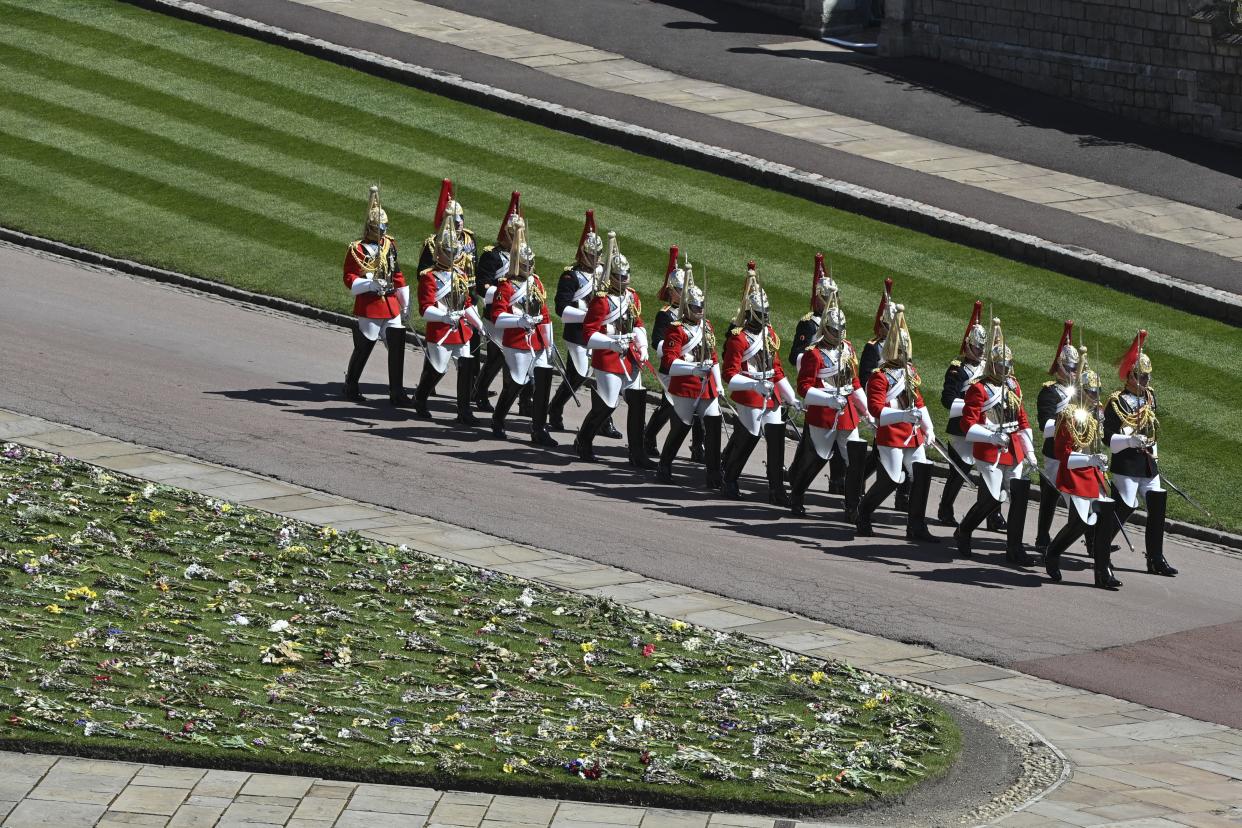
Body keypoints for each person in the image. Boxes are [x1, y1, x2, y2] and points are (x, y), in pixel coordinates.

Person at [954, 318, 1036, 564]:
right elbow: (967, 425)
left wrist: (1030, 451)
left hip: (1014, 450)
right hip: (989, 451)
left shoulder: (1013, 385)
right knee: (993, 497)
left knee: (1019, 497)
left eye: (1008, 364)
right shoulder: (978, 389)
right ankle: (965, 529)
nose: (1006, 369)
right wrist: (991, 435)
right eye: (1001, 365)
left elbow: (1022, 420)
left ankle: (1014, 547)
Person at [853, 305, 937, 541]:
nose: (904, 353)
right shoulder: (879, 376)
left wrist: (928, 428)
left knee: (921, 474)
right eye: (901, 349)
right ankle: (864, 511)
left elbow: (918, 401)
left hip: (912, 433)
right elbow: (877, 411)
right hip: (891, 433)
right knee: (890, 479)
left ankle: (916, 525)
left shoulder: (909, 372)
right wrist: (902, 416)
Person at [787, 291, 872, 518]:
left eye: (841, 329)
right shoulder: (813, 354)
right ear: (826, 328)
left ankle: (853, 507)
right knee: (818, 457)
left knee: (854, 461)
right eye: (835, 330)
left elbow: (853, 382)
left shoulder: (848, 349)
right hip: (823, 414)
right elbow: (804, 388)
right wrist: (827, 398)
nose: (839, 334)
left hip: (847, 415)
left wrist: (867, 411)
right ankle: (797, 494)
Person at [719, 263, 799, 505]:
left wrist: (790, 395)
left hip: (769, 394)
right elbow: (730, 375)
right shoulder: (738, 338)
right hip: (750, 394)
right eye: (761, 314)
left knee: (776, 438)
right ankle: (730, 478)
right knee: (750, 436)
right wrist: (754, 386)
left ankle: (776, 488)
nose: (765, 318)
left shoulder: (770, 335)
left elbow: (776, 369)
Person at [1043, 347, 1122, 589]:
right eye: (1091, 392)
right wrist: (1091, 460)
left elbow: (1095, 444)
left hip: (1093, 472)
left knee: (1104, 517)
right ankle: (1053, 552)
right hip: (1074, 472)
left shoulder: (1095, 414)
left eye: (1098, 392)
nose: (1096, 397)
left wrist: (1100, 460)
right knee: (1080, 522)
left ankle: (1103, 571)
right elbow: (1064, 456)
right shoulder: (1068, 415)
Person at [1102, 330, 1176, 577]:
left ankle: (1155, 557)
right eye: (1142, 376)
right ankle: (1098, 545)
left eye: (1148, 375)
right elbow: (1108, 440)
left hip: (1147, 464)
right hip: (1126, 464)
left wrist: (1153, 453)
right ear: (1131, 375)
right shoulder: (1116, 402)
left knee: (1157, 506)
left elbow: (1152, 428)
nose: (1146, 380)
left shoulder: (1150, 397)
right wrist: (1130, 440)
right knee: (1125, 506)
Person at [574, 232, 652, 468]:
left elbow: (637, 324)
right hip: (607, 358)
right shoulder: (601, 300)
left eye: (626, 276)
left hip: (629, 357)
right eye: (620, 276)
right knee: (608, 404)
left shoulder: (632, 297)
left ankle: (637, 452)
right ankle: (584, 439)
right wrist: (610, 343)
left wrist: (643, 345)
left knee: (638, 402)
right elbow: (588, 334)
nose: (625, 280)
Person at [547, 211, 622, 440]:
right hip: (578, 333)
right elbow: (562, 309)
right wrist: (588, 317)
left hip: (600, 333)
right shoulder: (571, 276)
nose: (597, 257)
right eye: (592, 254)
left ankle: (603, 421)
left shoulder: (604, 272)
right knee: (579, 374)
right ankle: (555, 407)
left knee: (600, 375)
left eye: (599, 253)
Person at [487, 218, 558, 447]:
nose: (531, 268)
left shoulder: (536, 282)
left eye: (532, 264)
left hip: (536, 341)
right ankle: (498, 420)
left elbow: (545, 315)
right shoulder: (506, 286)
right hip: (516, 341)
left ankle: (539, 429)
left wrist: (549, 344)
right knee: (517, 382)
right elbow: (498, 317)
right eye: (527, 264)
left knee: (543, 381)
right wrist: (520, 320)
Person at [412, 211, 485, 423]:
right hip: (442, 330)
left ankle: (464, 411)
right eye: (450, 251)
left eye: (456, 251)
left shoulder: (460, 275)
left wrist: (478, 324)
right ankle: (420, 397)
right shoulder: (429, 278)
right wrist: (445, 317)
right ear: (440, 252)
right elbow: (425, 309)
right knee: (439, 369)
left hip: (461, 329)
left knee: (465, 367)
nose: (454, 255)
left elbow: (467, 304)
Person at [342, 185, 412, 407]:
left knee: (397, 345)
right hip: (370, 303)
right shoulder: (357, 249)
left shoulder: (389, 245)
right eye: (379, 227)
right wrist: (369, 284)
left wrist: (405, 302)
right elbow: (349, 277)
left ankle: (397, 390)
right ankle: (351, 383)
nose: (382, 231)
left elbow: (397, 274)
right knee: (365, 345)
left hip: (390, 302)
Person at [655, 262, 723, 488]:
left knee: (713, 425)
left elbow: (713, 357)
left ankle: (714, 473)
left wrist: (719, 384)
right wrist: (693, 369)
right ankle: (664, 464)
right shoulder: (676, 328)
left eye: (701, 306)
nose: (700, 311)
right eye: (695, 307)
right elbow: (669, 361)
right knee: (682, 426)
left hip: (707, 385)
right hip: (687, 384)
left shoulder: (708, 326)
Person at [788, 253, 848, 495]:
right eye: (828, 298)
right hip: (817, 384)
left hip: (838, 386)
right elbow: (796, 356)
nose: (832, 303)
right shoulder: (809, 323)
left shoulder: (838, 321)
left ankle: (837, 480)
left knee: (841, 433)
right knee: (813, 440)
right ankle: (796, 475)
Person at [644, 248, 705, 462]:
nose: (684, 293)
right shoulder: (666, 314)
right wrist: (678, 355)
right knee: (667, 407)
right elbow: (657, 342)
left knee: (699, 408)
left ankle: (698, 447)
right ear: (672, 291)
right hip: (672, 368)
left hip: (693, 368)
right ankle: (648, 437)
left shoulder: (695, 316)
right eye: (680, 289)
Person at [473, 193, 531, 416]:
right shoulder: (493, 255)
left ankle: (522, 400)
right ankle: (479, 391)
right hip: (496, 313)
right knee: (496, 357)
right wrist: (502, 293)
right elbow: (481, 285)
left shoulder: (524, 256)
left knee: (519, 359)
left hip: (518, 315)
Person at [936, 300, 985, 526]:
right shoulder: (958, 369)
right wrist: (971, 405)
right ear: (968, 346)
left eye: (982, 348)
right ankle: (945, 510)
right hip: (961, 428)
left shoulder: (987, 368)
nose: (980, 352)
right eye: (977, 347)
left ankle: (991, 515)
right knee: (960, 470)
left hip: (984, 427)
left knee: (989, 472)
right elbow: (947, 399)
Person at [1035, 321, 1079, 556]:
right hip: (1055, 452)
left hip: (1076, 451)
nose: (1074, 372)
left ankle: (1090, 540)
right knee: (1050, 495)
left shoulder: (1081, 391)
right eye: (1070, 368)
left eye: (1076, 368)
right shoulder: (1049, 392)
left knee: (1083, 497)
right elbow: (1046, 425)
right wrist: (1068, 425)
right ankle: (1043, 537)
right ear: (1060, 368)